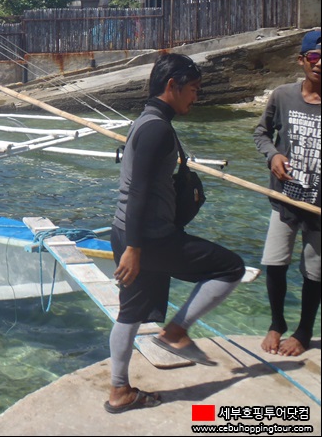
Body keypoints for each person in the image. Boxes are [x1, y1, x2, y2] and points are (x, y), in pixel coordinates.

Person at [105, 52, 245, 414]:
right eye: (194, 90)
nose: (196, 97)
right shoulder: (156, 128)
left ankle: (119, 390)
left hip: (128, 231)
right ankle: (177, 331)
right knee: (230, 268)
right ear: (173, 86)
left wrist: (131, 243)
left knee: (130, 313)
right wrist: (135, 248)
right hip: (147, 238)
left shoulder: (147, 121)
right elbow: (137, 191)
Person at [253, 29, 321, 357]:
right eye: (314, 56)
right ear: (302, 60)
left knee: (314, 271)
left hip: (319, 208)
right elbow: (261, 132)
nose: (320, 63)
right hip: (284, 199)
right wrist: (273, 155)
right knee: (275, 262)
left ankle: (304, 331)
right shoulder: (282, 96)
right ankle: (276, 322)